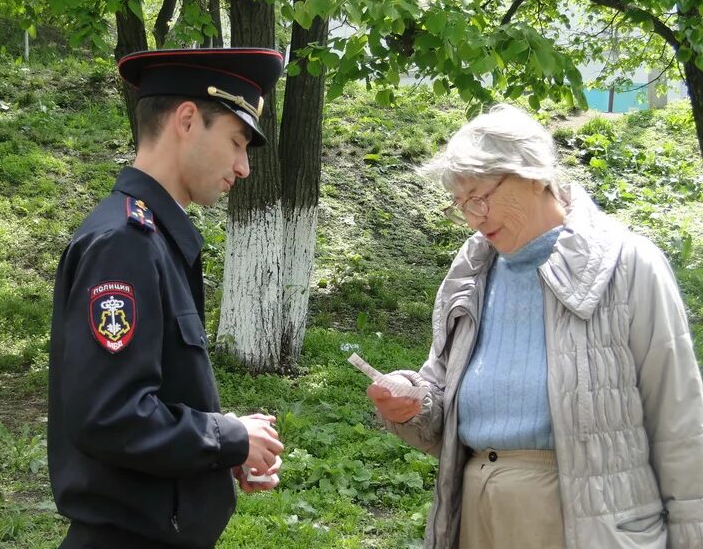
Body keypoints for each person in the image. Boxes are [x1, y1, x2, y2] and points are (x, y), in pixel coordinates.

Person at [366, 104, 703, 549]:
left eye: (480, 196)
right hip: (475, 513)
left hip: (585, 524)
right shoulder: (472, 271)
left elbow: (680, 425)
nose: (474, 217)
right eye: (461, 205)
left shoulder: (629, 265)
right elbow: (442, 396)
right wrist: (413, 405)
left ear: (534, 173)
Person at [47, 48, 286, 549]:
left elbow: (153, 398)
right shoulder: (124, 244)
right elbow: (111, 416)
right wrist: (228, 436)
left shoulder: (151, 237)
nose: (243, 167)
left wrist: (226, 450)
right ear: (186, 120)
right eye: (237, 142)